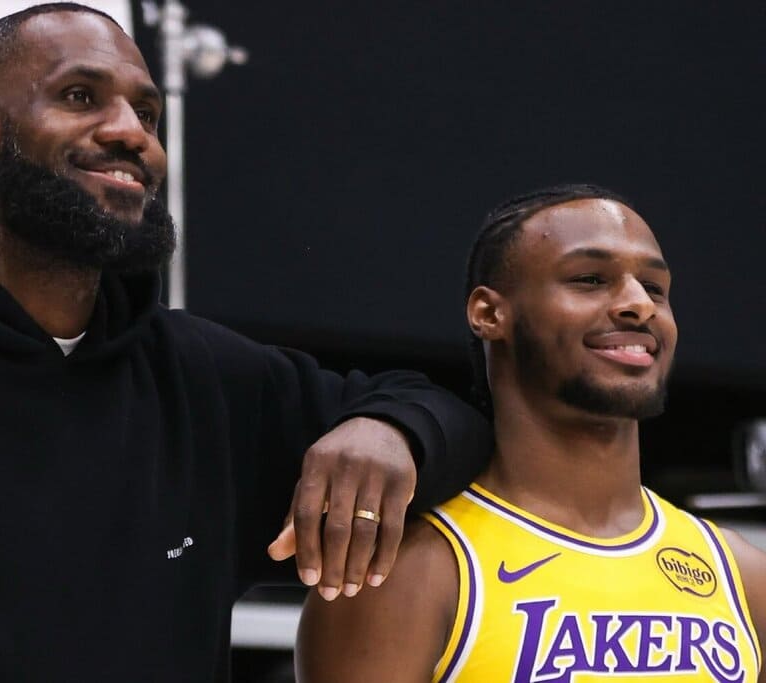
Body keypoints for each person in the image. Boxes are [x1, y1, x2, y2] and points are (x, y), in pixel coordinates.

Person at [0, 4, 492, 681]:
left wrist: (392, 430)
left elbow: (463, 415)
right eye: (79, 96)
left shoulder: (202, 377)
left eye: (147, 112)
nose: (131, 133)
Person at [297, 185, 765, 682]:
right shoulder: (412, 570)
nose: (638, 304)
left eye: (654, 288)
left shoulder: (742, 575)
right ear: (489, 314)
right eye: (590, 279)